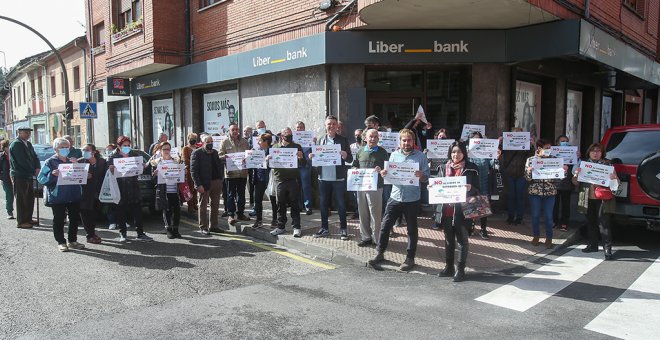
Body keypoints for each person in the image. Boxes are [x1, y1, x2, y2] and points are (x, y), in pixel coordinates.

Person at [368, 129, 430, 271]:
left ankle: (410, 258)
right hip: (395, 196)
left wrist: (422, 175)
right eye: (404, 140)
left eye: (409, 140)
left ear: (413, 142)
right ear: (400, 141)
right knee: (385, 227)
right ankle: (380, 253)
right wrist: (384, 173)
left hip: (412, 198)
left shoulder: (420, 157)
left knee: (412, 230)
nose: (406, 143)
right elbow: (388, 174)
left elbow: (426, 177)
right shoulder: (394, 155)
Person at [433, 141, 480, 282]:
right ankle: (449, 268)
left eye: (459, 152)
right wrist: (432, 188)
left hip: (463, 210)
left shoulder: (472, 168)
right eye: (453, 152)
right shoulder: (442, 167)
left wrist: (470, 188)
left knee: (462, 240)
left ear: (464, 153)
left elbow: (478, 189)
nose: (456, 155)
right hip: (446, 210)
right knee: (448, 240)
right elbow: (437, 185)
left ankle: (460, 269)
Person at [37, 138, 85, 252]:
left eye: (66, 147)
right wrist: (52, 175)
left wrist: (78, 166)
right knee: (58, 220)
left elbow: (81, 177)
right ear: (55, 149)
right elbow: (41, 178)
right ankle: (61, 242)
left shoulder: (72, 161)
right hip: (58, 196)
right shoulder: (50, 162)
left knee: (74, 219)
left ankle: (72, 241)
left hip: (73, 195)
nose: (64, 149)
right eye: (61, 147)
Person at [573, 143, 619, 260]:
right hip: (587, 198)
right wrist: (576, 175)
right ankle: (593, 245)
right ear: (589, 152)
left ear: (601, 153)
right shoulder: (583, 164)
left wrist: (614, 179)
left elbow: (616, 184)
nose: (595, 153)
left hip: (603, 199)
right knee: (591, 222)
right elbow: (575, 182)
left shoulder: (608, 165)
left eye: (598, 151)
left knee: (604, 225)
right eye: (593, 151)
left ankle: (607, 249)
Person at [310, 116, 353, 239]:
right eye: (329, 124)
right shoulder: (320, 140)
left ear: (337, 126)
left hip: (338, 179)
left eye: (334, 124)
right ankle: (324, 228)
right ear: (325, 125)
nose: (331, 126)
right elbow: (316, 158)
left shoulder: (343, 140)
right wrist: (312, 156)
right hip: (323, 178)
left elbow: (350, 159)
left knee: (341, 204)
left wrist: (345, 155)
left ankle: (343, 229)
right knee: (323, 204)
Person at [108, 136, 153, 242]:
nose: (127, 147)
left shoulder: (134, 155)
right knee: (121, 211)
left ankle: (140, 233)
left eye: (128, 145)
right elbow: (109, 171)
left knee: (137, 211)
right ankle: (123, 234)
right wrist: (111, 169)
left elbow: (140, 168)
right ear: (119, 146)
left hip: (133, 186)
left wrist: (142, 166)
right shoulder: (113, 157)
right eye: (124, 146)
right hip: (120, 187)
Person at [352, 129, 388, 247]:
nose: (373, 139)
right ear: (365, 138)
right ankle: (366, 237)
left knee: (375, 214)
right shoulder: (360, 151)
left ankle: (377, 239)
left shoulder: (383, 152)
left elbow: (387, 170)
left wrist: (381, 171)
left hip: (376, 187)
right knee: (363, 213)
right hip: (361, 187)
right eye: (370, 137)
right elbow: (355, 165)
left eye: (375, 137)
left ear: (378, 139)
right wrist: (354, 170)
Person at [524, 139, 562, 249]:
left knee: (548, 217)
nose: (549, 150)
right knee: (535, 215)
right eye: (547, 148)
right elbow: (527, 178)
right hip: (535, 191)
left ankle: (549, 238)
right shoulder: (531, 160)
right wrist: (529, 172)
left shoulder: (555, 160)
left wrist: (563, 171)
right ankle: (536, 236)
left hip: (550, 192)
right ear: (539, 149)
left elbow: (559, 179)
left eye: (550, 148)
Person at [270, 128, 306, 237]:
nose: (289, 137)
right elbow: (271, 164)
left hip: (292, 180)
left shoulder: (296, 147)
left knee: (294, 204)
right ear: (281, 136)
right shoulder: (275, 147)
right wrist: (269, 158)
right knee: (280, 204)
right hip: (279, 180)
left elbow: (304, 163)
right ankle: (281, 226)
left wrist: (301, 157)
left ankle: (296, 227)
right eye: (287, 135)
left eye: (290, 135)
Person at [191, 134, 224, 235]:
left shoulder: (215, 153)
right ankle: (203, 227)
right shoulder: (197, 153)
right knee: (203, 206)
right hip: (204, 183)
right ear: (203, 143)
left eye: (211, 141)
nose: (210, 143)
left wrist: (220, 179)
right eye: (208, 142)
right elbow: (193, 171)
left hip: (216, 182)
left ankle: (214, 226)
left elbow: (219, 165)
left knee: (215, 205)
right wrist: (198, 185)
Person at [219, 123, 251, 225]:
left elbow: (248, 155)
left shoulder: (244, 142)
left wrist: (249, 157)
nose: (235, 131)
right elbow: (219, 156)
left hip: (242, 173)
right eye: (233, 129)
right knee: (230, 195)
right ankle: (231, 215)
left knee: (241, 195)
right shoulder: (224, 142)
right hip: (230, 174)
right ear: (229, 131)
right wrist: (228, 157)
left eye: (237, 129)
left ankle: (240, 213)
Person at [9, 127, 40, 228]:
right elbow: (22, 161)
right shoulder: (16, 144)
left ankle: (28, 218)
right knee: (21, 199)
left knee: (30, 197)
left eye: (29, 133)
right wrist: (32, 170)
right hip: (20, 175)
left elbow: (35, 157)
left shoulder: (28, 144)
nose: (28, 134)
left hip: (28, 175)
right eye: (26, 132)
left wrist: (37, 167)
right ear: (19, 133)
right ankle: (21, 221)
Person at [151, 142, 183, 239]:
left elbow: (180, 174)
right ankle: (168, 230)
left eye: (168, 149)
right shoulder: (157, 162)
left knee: (177, 211)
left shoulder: (176, 161)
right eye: (164, 149)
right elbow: (152, 178)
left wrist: (182, 172)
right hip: (164, 190)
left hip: (175, 190)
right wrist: (155, 174)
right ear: (160, 151)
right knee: (167, 211)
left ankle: (176, 230)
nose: (166, 151)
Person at [502, 127, 533, 225]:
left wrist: (532, 145)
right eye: (515, 133)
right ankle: (510, 216)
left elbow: (531, 157)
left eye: (519, 134)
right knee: (511, 195)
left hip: (521, 174)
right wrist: (499, 142)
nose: (517, 136)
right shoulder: (506, 144)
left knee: (520, 196)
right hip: (509, 173)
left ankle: (519, 217)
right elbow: (497, 152)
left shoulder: (526, 144)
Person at [79, 144, 107, 244]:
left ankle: (92, 233)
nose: (84, 152)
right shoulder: (80, 162)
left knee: (94, 214)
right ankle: (89, 235)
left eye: (87, 150)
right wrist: (83, 176)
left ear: (94, 152)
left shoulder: (102, 162)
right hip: (85, 194)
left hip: (98, 193)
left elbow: (105, 175)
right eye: (83, 150)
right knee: (86, 214)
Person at [467, 131, 492, 239]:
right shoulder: (467, 150)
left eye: (479, 139)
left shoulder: (486, 150)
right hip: (473, 182)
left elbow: (491, 164)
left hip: (484, 181)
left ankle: (483, 229)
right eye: (474, 139)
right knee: (472, 205)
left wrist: (496, 157)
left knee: (484, 207)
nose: (477, 141)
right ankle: (471, 227)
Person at [251, 133, 278, 228]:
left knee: (273, 200)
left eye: (260, 141)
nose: (258, 143)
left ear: (266, 142)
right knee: (257, 200)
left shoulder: (274, 151)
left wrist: (270, 159)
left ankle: (275, 219)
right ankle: (259, 220)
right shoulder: (255, 150)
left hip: (271, 179)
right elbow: (251, 163)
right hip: (259, 178)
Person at [553, 135, 574, 232]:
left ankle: (564, 223)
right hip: (555, 183)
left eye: (566, 141)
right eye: (562, 141)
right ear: (557, 143)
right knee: (554, 205)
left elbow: (577, 167)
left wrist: (577, 157)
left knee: (566, 205)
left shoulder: (572, 153)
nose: (564, 142)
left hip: (567, 183)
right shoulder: (553, 153)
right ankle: (554, 221)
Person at [295, 121, 314, 215]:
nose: (299, 129)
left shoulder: (309, 138)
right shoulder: (293, 139)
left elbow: (314, 151)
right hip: (295, 166)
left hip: (305, 166)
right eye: (298, 127)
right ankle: (299, 206)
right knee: (296, 186)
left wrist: (314, 142)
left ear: (304, 128)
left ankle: (308, 206)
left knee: (306, 186)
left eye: (301, 127)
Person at [182, 133, 199, 214]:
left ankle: (195, 204)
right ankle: (190, 206)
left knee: (196, 189)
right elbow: (185, 160)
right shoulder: (185, 148)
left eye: (194, 139)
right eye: (191, 139)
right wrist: (195, 163)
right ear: (188, 139)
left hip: (197, 172)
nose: (193, 140)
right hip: (189, 172)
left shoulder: (198, 148)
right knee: (189, 189)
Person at [0, 140, 15, 219]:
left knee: (21, 196)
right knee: (9, 196)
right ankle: (10, 212)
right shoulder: (1, 157)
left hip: (17, 178)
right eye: (7, 146)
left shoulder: (15, 155)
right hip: (6, 180)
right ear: (4, 148)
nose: (9, 148)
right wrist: (2, 178)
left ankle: (23, 213)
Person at [243, 126, 255, 212]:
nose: (246, 132)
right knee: (243, 183)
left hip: (252, 163)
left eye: (249, 131)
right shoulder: (242, 140)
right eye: (245, 131)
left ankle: (252, 200)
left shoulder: (254, 139)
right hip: (243, 165)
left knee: (251, 182)